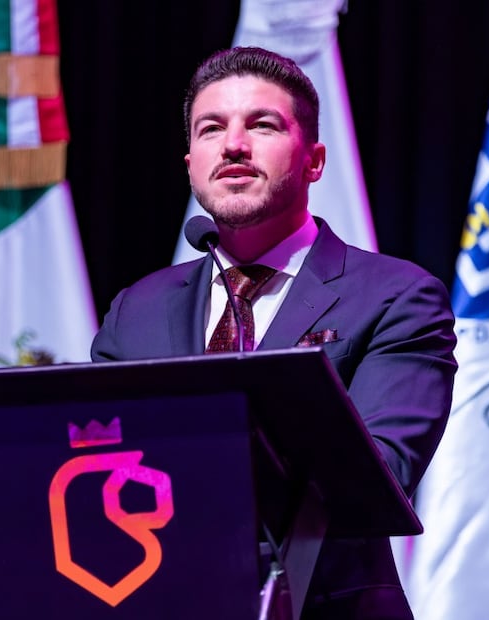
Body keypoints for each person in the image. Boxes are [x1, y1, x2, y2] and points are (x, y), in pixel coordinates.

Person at [90, 46, 457, 620]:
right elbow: (96, 470)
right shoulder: (136, 309)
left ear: (313, 160)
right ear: (190, 163)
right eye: (211, 128)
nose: (234, 144)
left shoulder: (397, 297)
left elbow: (380, 473)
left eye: (261, 124)